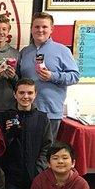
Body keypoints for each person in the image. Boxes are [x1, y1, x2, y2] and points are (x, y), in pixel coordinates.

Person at [18, 12, 80, 140]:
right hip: (26, 112)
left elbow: (75, 76)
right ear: (31, 29)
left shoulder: (62, 50)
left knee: (47, 153)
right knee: (26, 150)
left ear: (51, 29)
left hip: (50, 113)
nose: (40, 30)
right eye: (36, 27)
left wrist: (52, 76)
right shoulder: (24, 52)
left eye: (44, 27)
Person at [0, 79, 52, 189]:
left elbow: (47, 147)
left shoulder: (42, 118)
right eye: (21, 92)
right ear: (15, 94)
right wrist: (8, 135)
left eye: (29, 93)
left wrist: (39, 169)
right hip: (11, 176)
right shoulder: (4, 117)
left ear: (35, 94)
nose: (25, 96)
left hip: (34, 174)